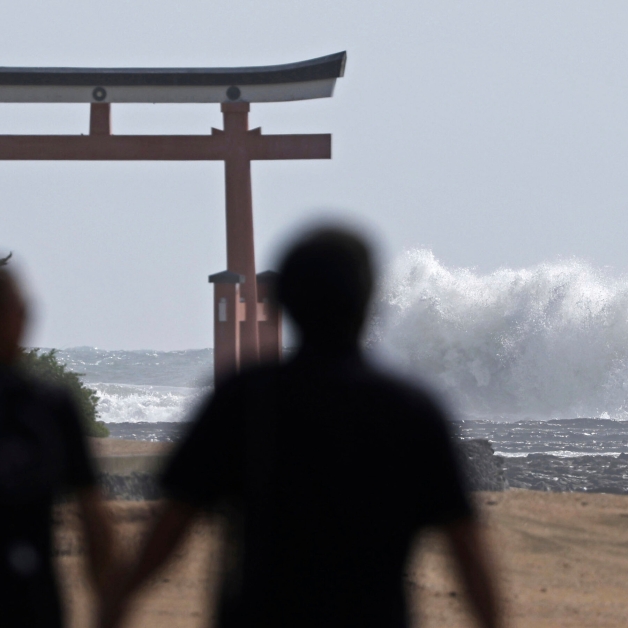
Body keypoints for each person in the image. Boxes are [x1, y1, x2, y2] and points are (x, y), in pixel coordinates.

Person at [100, 227, 502, 628]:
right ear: (369, 303)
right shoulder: (411, 410)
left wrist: (116, 604)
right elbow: (465, 547)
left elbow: (172, 525)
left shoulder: (243, 400)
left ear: (280, 303)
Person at [0, 264, 114, 627]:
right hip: (30, 603)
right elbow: (93, 521)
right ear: (21, 318)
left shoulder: (50, 405)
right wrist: (111, 607)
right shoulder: (48, 406)